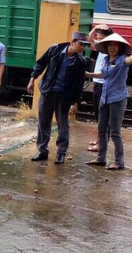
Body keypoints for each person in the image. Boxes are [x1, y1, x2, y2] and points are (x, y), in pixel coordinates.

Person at [26, 32, 89, 164]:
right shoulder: (55, 49)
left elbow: (79, 84)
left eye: (85, 45)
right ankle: (42, 150)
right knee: (43, 121)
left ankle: (61, 153)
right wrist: (32, 80)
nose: (83, 48)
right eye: (81, 44)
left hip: (64, 96)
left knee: (63, 124)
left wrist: (76, 102)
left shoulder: (80, 62)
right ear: (72, 42)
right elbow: (40, 64)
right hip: (48, 91)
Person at [85, 33, 132, 170]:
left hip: (117, 99)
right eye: (110, 45)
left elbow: (130, 60)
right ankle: (101, 158)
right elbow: (104, 74)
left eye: (115, 46)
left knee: (115, 131)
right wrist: (90, 75)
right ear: (106, 47)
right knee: (101, 129)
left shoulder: (122, 60)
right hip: (105, 97)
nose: (112, 48)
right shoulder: (106, 60)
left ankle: (119, 162)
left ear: (119, 47)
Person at [86, 25, 113, 152]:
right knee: (98, 114)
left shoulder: (109, 50)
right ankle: (99, 139)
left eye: (101, 35)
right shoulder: (102, 47)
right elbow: (89, 38)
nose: (98, 37)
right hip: (97, 83)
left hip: (103, 84)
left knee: (103, 116)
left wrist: (89, 74)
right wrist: (95, 27)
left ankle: (102, 144)